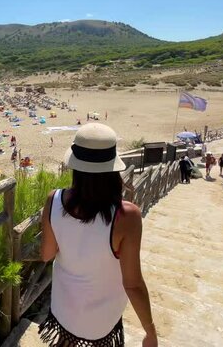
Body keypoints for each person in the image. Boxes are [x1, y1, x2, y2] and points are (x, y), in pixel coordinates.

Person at [39, 123, 157, 347]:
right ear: (113, 168)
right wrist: (150, 331)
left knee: (65, 342)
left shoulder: (53, 199)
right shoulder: (127, 216)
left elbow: (46, 255)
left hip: (65, 306)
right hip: (103, 316)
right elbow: (133, 284)